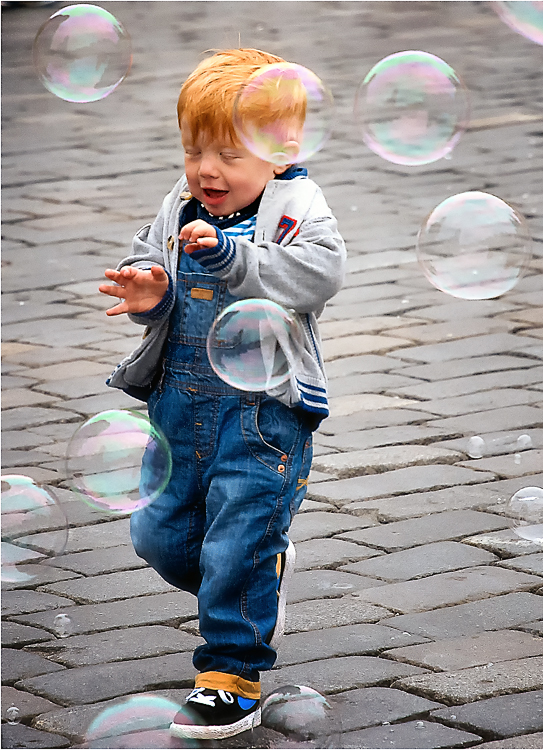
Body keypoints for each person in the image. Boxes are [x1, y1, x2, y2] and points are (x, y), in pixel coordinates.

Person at [99, 48, 346, 740]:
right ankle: (254, 574)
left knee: (234, 543)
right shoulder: (179, 204)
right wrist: (149, 290)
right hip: (178, 408)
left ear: (283, 152)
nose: (208, 170)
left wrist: (231, 258)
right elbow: (152, 260)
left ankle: (230, 676)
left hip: (262, 419)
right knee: (158, 536)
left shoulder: (299, 208)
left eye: (230, 155)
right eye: (194, 150)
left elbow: (320, 276)